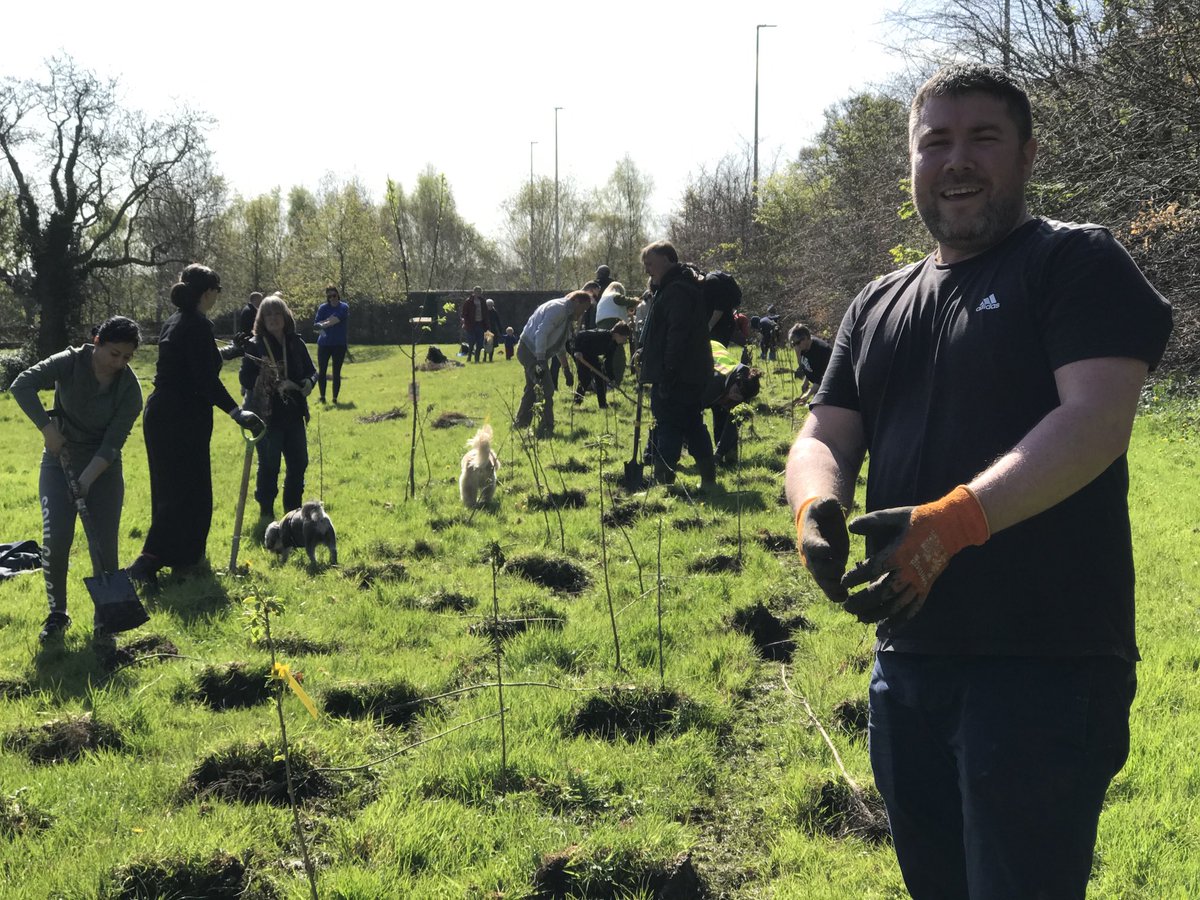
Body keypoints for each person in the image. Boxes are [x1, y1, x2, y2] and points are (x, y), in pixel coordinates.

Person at [786, 64, 1172, 900]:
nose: (957, 160)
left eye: (983, 139)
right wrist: (815, 503)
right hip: (909, 658)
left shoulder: (1073, 263)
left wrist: (954, 520)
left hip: (1045, 664)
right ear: (912, 165)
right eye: (936, 142)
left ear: (1027, 155)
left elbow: (1096, 422)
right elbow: (824, 430)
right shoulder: (877, 303)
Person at [128, 264, 264, 588]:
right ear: (208, 292)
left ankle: (185, 561)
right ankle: (147, 562)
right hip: (182, 416)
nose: (218, 296)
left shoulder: (175, 321)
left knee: (171, 491)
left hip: (162, 412)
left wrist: (232, 350)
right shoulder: (197, 324)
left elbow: (198, 360)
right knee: (189, 494)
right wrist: (236, 411)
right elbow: (204, 379)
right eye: (218, 290)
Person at [11, 316, 144, 643]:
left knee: (103, 546)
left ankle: (105, 619)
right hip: (60, 461)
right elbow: (21, 385)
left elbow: (113, 443)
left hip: (103, 469)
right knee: (55, 540)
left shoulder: (130, 390)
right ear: (97, 342)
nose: (119, 363)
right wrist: (48, 429)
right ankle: (58, 614)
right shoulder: (70, 361)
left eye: (127, 357)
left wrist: (86, 480)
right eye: (114, 354)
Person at [637, 240, 716, 490]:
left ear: (667, 260)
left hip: (678, 373)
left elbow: (677, 334)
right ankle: (708, 480)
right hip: (689, 372)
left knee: (668, 423)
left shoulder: (676, 291)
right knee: (692, 423)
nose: (648, 270)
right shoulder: (677, 287)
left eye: (650, 263)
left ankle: (664, 482)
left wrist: (669, 371)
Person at [239, 293, 317, 519]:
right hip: (267, 417)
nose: (273, 318)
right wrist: (262, 372)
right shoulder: (254, 346)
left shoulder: (296, 342)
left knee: (299, 463)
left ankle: (292, 513)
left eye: (277, 313)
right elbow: (244, 380)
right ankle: (266, 512)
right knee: (270, 465)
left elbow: (313, 372)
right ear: (261, 319)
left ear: (286, 317)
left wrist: (307, 384)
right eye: (268, 314)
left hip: (294, 415)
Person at [514, 290, 592, 436]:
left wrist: (566, 369)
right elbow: (541, 333)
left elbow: (559, 345)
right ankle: (546, 426)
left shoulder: (566, 315)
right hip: (530, 351)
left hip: (534, 352)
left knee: (532, 388)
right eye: (584, 308)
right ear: (576, 302)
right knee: (546, 388)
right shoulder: (559, 309)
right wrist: (541, 360)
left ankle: (521, 423)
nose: (583, 313)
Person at [704, 341, 761, 466]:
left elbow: (734, 422)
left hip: (716, 348)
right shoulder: (714, 383)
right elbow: (693, 412)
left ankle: (729, 459)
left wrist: (719, 452)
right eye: (735, 392)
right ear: (737, 382)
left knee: (726, 412)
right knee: (716, 410)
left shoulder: (747, 383)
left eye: (738, 398)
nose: (734, 396)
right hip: (697, 351)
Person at [571, 321, 631, 409]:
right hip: (581, 354)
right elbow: (580, 335)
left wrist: (611, 378)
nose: (625, 341)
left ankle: (602, 405)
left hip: (592, 356)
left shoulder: (613, 344)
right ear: (617, 334)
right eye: (624, 337)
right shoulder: (602, 335)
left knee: (601, 378)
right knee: (585, 379)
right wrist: (577, 350)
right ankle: (577, 403)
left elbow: (608, 362)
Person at [314, 285, 349, 403]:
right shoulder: (323, 308)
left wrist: (323, 324)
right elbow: (316, 327)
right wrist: (324, 335)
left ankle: (334, 398)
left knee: (336, 371)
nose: (332, 298)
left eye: (334, 295)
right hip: (324, 345)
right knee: (322, 371)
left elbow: (336, 319)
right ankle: (322, 396)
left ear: (337, 295)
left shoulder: (344, 307)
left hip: (339, 344)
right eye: (329, 296)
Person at [788, 323, 832, 403]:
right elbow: (806, 365)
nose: (795, 346)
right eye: (793, 344)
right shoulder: (803, 348)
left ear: (805, 338)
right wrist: (806, 381)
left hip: (829, 388)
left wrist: (808, 395)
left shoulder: (822, 351)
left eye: (797, 343)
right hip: (817, 385)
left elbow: (822, 379)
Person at [460, 287, 487, 363]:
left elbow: (486, 314)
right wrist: (465, 322)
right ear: (474, 292)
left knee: (480, 342)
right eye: (477, 291)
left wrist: (487, 325)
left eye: (480, 291)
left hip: (480, 324)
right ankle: (469, 356)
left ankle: (477, 358)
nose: (478, 292)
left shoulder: (482, 301)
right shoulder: (469, 301)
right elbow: (464, 314)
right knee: (471, 342)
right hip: (471, 325)